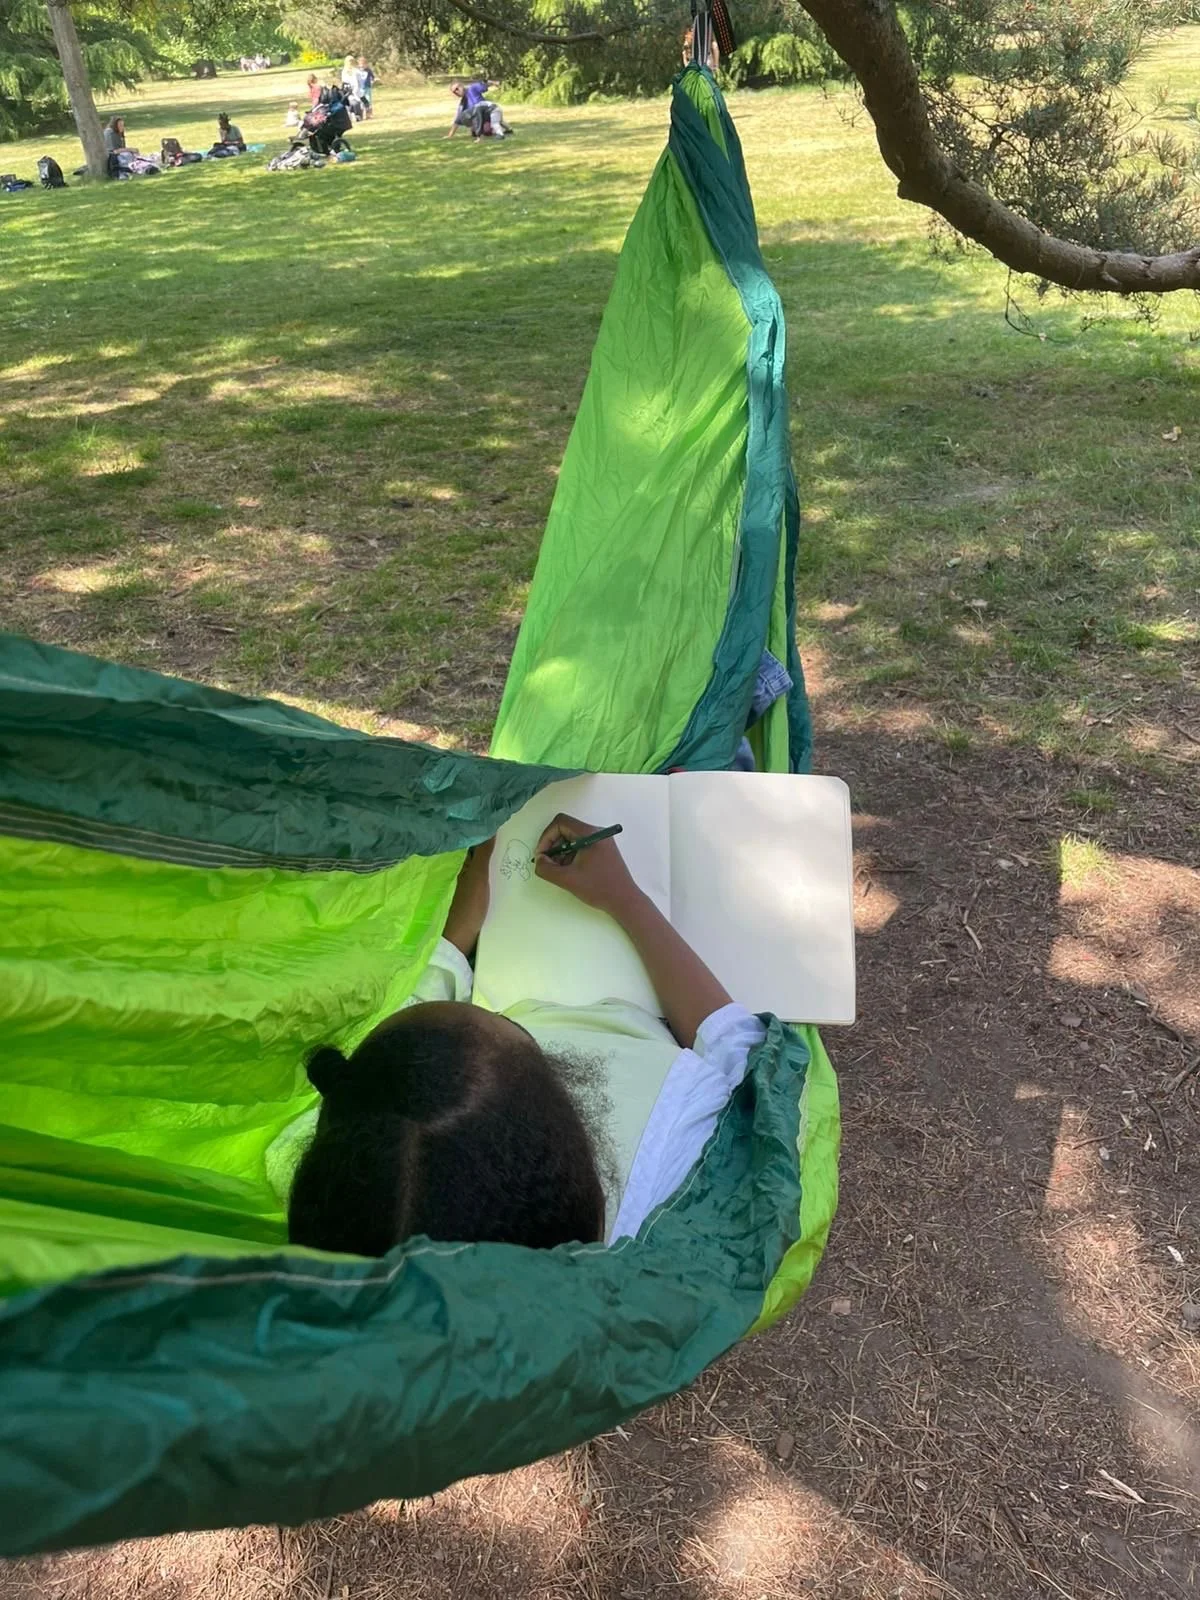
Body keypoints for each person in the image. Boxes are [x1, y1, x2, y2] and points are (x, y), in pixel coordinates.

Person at [286, 815, 767, 1256]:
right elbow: (739, 1045)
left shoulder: (349, 1189)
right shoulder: (693, 1150)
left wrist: (461, 929)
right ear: (572, 1123)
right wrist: (626, 900)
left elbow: (404, 1057)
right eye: (520, 1032)